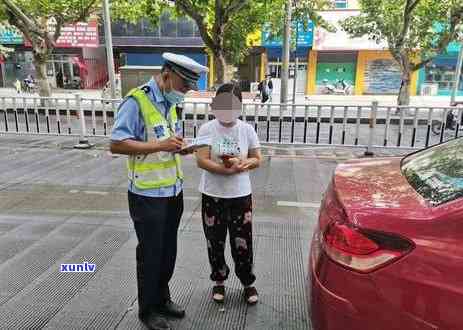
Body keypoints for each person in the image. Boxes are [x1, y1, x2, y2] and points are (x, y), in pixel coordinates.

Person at [110, 52, 208, 330]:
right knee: (150, 254)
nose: (186, 92)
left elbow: (166, 141)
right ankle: (148, 309)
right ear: (166, 75)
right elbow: (117, 144)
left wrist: (181, 147)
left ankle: (163, 299)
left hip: (172, 191)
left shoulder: (171, 103)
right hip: (146, 195)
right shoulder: (136, 101)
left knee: (167, 252)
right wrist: (160, 146)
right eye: (184, 85)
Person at [195, 83, 262, 305]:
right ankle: (219, 281)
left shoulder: (247, 130)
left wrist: (245, 163)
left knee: (242, 241)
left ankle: (247, 283)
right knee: (215, 241)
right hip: (212, 195)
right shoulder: (207, 129)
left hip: (240, 195)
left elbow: (257, 158)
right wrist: (224, 169)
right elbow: (201, 159)